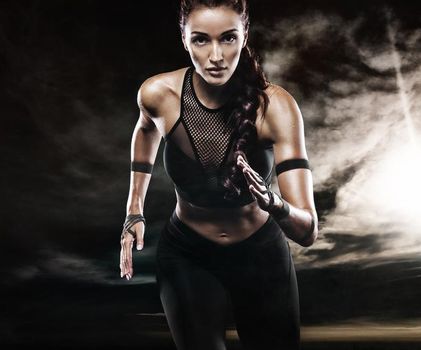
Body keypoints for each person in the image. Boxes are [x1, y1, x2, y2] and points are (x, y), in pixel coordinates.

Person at [119, 0, 319, 349]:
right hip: (186, 255)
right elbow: (145, 129)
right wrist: (133, 209)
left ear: (244, 37)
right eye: (200, 40)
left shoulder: (275, 108)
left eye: (227, 38)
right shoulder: (158, 95)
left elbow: (308, 232)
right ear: (184, 40)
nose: (215, 56)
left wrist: (274, 203)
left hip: (261, 256)